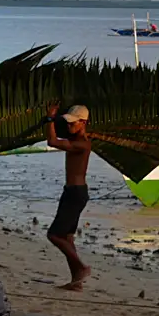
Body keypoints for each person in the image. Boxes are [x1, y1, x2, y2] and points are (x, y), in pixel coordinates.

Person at [44, 104, 92, 291]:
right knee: (68, 237)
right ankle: (75, 281)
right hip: (72, 191)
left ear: (83, 123)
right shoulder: (76, 139)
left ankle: (81, 267)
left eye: (73, 123)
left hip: (76, 193)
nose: (70, 126)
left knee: (54, 235)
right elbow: (57, 137)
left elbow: (52, 142)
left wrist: (49, 120)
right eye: (69, 123)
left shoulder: (82, 144)